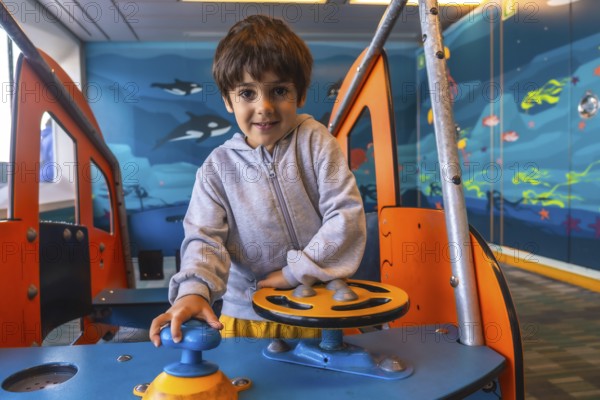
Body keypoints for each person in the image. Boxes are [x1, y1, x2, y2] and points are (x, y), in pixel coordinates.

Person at [149, 15, 366, 346]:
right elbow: (204, 238)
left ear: (301, 94)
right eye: (247, 93)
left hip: (319, 306)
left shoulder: (316, 141)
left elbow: (345, 215)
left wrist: (296, 272)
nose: (264, 107)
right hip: (246, 313)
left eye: (279, 90)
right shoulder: (216, 168)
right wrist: (194, 290)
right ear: (227, 100)